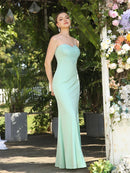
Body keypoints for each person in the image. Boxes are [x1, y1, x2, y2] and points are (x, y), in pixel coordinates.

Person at [44, 12, 86, 169]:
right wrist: (51, 83)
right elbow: (47, 63)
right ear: (57, 24)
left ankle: (67, 159)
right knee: (69, 116)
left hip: (74, 83)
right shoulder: (55, 39)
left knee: (72, 117)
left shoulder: (76, 41)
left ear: (70, 20)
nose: (64, 20)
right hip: (60, 83)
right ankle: (73, 160)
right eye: (60, 19)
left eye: (67, 17)